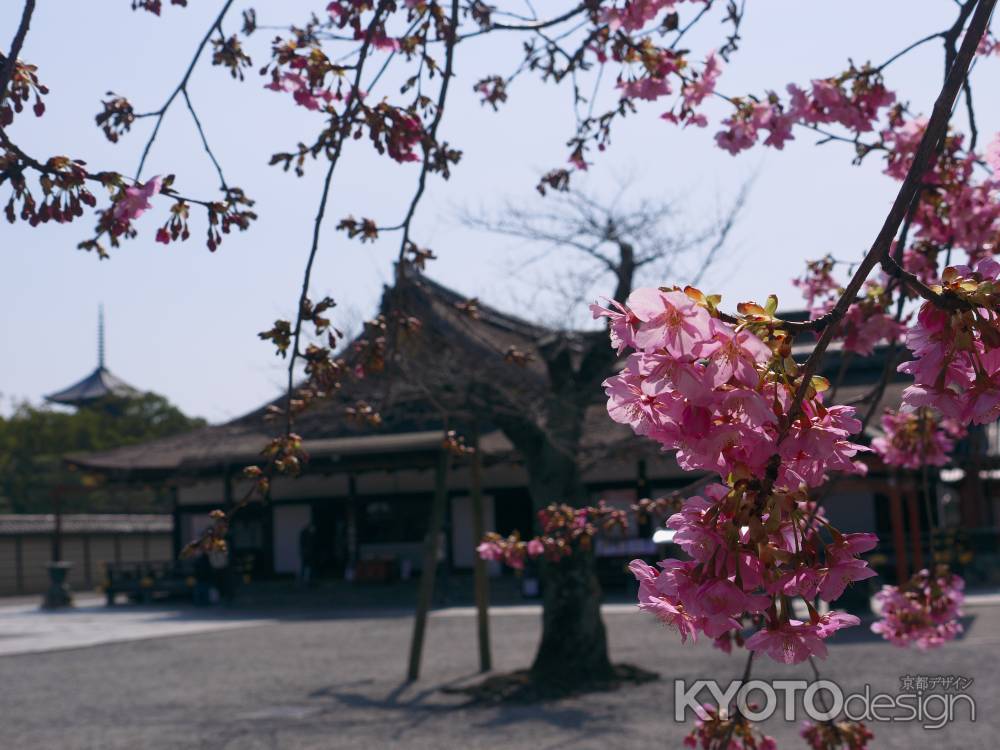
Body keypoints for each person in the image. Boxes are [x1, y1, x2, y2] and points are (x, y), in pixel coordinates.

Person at [299, 521, 317, 586]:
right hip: (307, 554)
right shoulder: (306, 534)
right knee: (306, 567)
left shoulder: (307, 534)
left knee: (307, 567)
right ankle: (306, 581)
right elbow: (305, 544)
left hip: (307, 553)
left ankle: (308, 580)